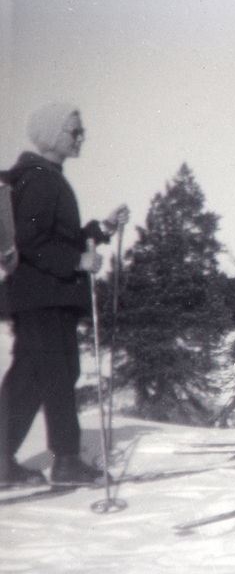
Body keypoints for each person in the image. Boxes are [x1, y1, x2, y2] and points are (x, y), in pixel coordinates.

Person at [0, 103, 130, 487]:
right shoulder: (40, 179)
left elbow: (57, 236)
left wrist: (102, 228)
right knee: (42, 375)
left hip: (42, 296)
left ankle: (59, 459)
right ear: (54, 135)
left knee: (46, 375)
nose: (81, 137)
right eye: (75, 131)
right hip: (44, 296)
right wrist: (77, 260)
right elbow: (33, 240)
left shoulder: (45, 176)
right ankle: (61, 460)